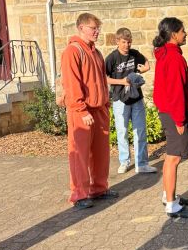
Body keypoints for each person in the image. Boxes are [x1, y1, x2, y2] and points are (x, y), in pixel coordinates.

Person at [61, 12, 118, 209]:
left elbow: (102, 80)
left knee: (101, 153)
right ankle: (80, 194)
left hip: (99, 109)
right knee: (80, 154)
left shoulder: (97, 52)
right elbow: (72, 84)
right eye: (93, 28)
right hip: (81, 111)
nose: (97, 32)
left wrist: (106, 104)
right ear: (81, 28)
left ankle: (99, 188)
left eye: (98, 28)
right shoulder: (73, 51)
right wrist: (81, 110)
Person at [153, 17, 188, 218]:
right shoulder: (173, 57)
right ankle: (171, 205)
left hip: (168, 112)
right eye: (182, 31)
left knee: (172, 157)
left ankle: (168, 195)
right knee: (173, 158)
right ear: (173, 34)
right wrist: (180, 120)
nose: (185, 34)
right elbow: (176, 92)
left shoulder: (166, 54)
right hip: (174, 114)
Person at [105, 27, 157, 175]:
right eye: (123, 42)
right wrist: (121, 81)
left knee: (140, 130)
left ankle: (142, 164)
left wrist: (143, 69)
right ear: (117, 41)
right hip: (120, 100)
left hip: (136, 98)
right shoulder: (112, 58)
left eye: (129, 42)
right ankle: (124, 161)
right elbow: (104, 78)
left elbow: (146, 63)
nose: (127, 45)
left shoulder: (134, 54)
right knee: (122, 132)